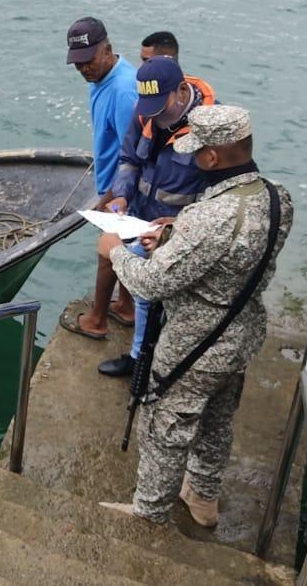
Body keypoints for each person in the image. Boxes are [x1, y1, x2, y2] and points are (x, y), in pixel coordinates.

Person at [96, 105, 293, 527]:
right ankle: (203, 497)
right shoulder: (277, 196)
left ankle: (149, 511)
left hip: (196, 341)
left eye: (196, 152)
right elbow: (233, 253)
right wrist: (175, 232)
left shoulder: (209, 218)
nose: (191, 159)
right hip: (242, 334)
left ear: (212, 158)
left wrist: (114, 250)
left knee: (165, 424)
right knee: (218, 421)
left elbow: (150, 284)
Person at [100, 55, 216, 377]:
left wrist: (179, 225)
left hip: (180, 233)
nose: (157, 118)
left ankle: (158, 364)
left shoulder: (211, 129)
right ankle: (140, 358)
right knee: (143, 296)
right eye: (149, 110)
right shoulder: (144, 116)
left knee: (170, 303)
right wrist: (122, 195)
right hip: (141, 220)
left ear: (181, 91)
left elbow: (219, 194)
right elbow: (129, 159)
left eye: (161, 110)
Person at [59, 17, 139, 340]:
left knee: (108, 252)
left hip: (122, 187)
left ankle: (96, 320)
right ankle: (126, 306)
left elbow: (132, 153)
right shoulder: (102, 79)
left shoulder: (122, 92)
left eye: (88, 61)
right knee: (128, 246)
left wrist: (110, 197)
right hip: (110, 180)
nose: (83, 70)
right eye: (77, 63)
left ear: (108, 49)